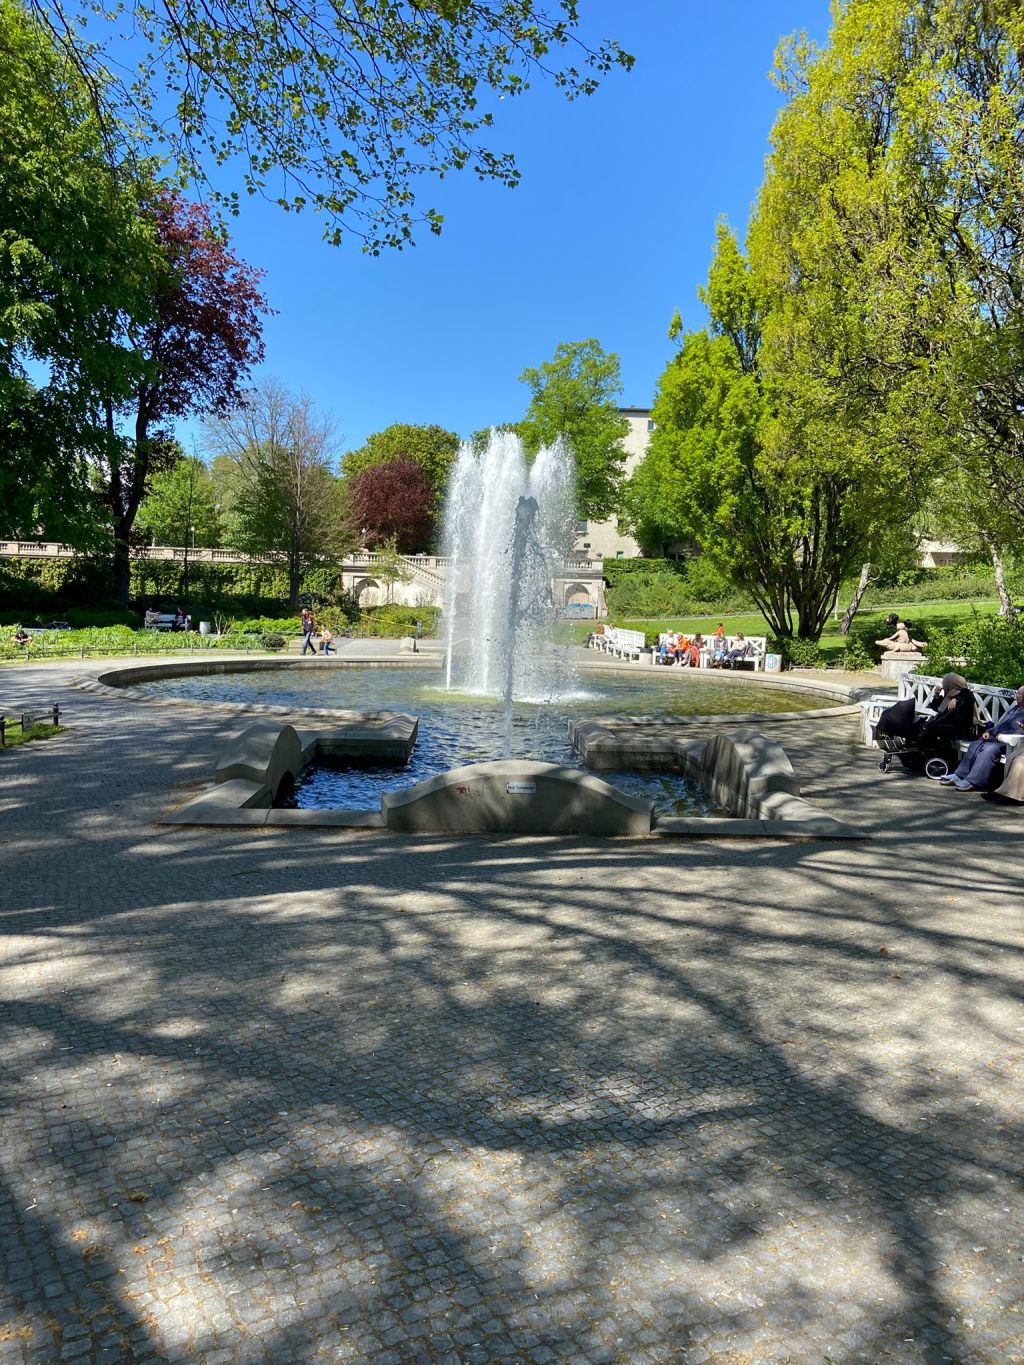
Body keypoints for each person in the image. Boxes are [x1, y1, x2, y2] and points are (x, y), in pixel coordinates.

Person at [941, 685, 1024, 791]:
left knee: (988, 750)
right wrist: (989, 732)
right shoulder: (1015, 709)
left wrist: (1002, 736)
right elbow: (1001, 725)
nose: (1016, 696)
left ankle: (973, 782)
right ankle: (959, 775)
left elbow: (1020, 732)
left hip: (1010, 743)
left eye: (1019, 693)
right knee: (975, 745)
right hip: (996, 737)